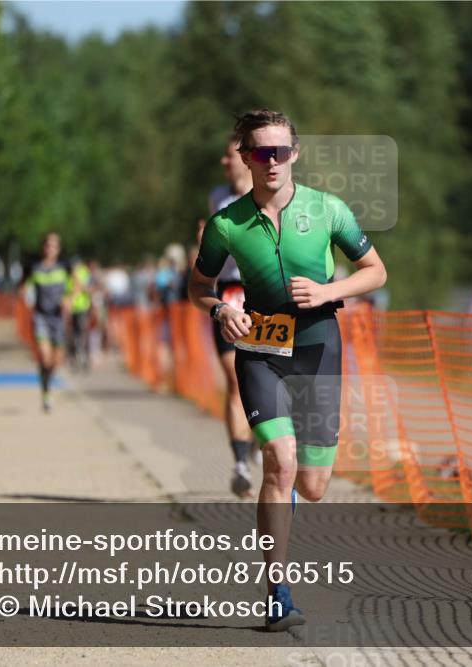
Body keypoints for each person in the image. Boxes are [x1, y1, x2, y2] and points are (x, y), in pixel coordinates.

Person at [188, 109, 387, 631]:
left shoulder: (327, 209)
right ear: (246, 158)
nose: (271, 161)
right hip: (260, 349)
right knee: (279, 461)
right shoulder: (226, 223)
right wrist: (220, 309)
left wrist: (327, 291)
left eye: (280, 151)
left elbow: (375, 271)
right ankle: (277, 591)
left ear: (294, 154)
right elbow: (197, 286)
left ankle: (290, 489)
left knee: (314, 483)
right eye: (260, 152)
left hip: (318, 347)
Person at [203, 135, 256, 498]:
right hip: (227, 294)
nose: (224, 163)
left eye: (229, 157)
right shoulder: (217, 198)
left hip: (263, 295)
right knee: (235, 378)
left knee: (261, 380)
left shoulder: (269, 196)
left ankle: (259, 437)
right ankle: (240, 461)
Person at [22, 232, 70, 412]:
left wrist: (69, 298)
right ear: (43, 247)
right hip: (40, 316)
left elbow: (79, 284)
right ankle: (46, 392)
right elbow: (24, 286)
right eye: (47, 245)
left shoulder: (65, 266)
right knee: (44, 355)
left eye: (54, 246)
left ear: (59, 249)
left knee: (56, 361)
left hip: (58, 318)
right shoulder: (34, 267)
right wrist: (26, 294)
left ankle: (46, 383)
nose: (50, 249)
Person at [67, 257, 93, 372]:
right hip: (70, 308)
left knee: (82, 332)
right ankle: (73, 358)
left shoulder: (84, 272)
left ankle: (84, 357)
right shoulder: (67, 274)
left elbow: (88, 288)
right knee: (72, 334)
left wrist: (78, 282)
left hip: (83, 307)